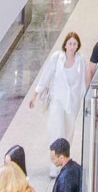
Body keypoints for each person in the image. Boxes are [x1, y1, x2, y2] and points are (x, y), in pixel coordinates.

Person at [28, 32, 87, 173]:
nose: (72, 47)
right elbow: (45, 76)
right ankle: (53, 165)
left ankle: (64, 162)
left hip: (72, 103)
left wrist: (85, 99)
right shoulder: (57, 58)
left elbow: (82, 83)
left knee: (68, 132)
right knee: (56, 131)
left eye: (75, 44)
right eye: (70, 43)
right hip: (57, 101)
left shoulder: (80, 60)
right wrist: (34, 94)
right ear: (65, 44)